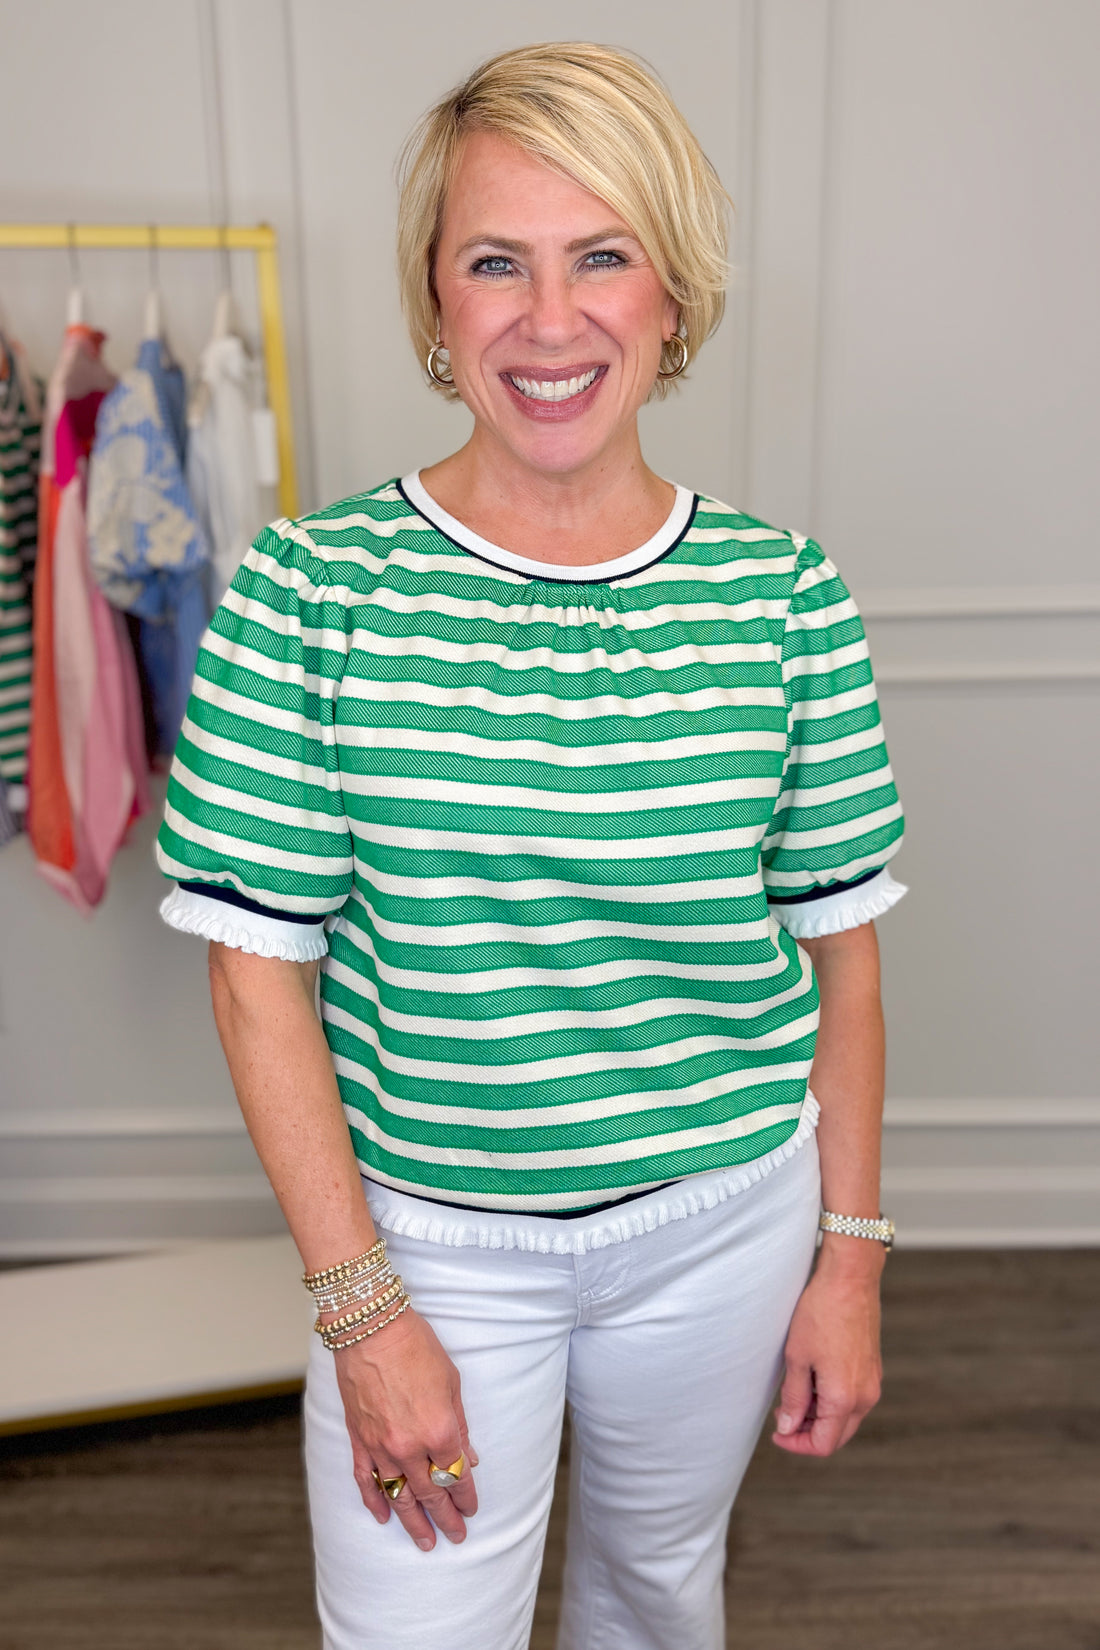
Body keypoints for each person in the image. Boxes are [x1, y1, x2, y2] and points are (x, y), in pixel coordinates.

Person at [155, 40, 906, 1650]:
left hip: (726, 1219)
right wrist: (369, 1315)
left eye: (603, 257)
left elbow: (842, 959)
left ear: (674, 297)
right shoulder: (308, 595)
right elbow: (252, 983)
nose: (549, 319)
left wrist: (846, 1260)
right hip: (431, 1244)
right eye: (496, 262)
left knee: (655, 1596)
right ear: (436, 304)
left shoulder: (786, 596)